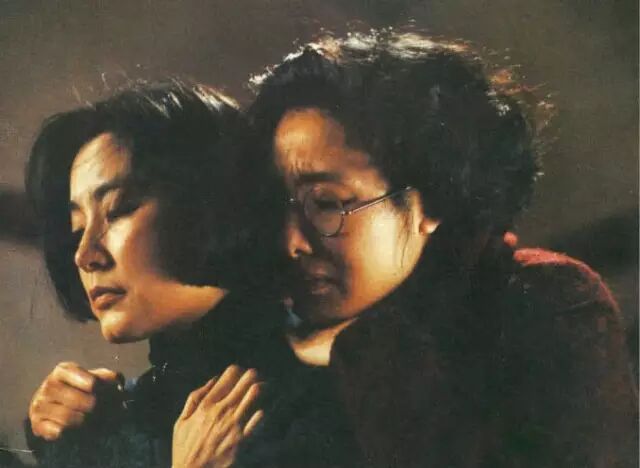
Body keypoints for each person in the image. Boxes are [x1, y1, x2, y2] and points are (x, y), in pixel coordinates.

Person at [236, 31, 638, 467]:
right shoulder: (264, 357)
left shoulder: (549, 303)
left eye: (327, 204)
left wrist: (358, 345)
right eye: (277, 205)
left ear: (430, 200)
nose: (292, 242)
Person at [24, 81, 285, 467]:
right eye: (77, 229)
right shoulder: (123, 411)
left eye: (118, 210)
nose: (84, 255)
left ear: (204, 204)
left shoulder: (317, 392)